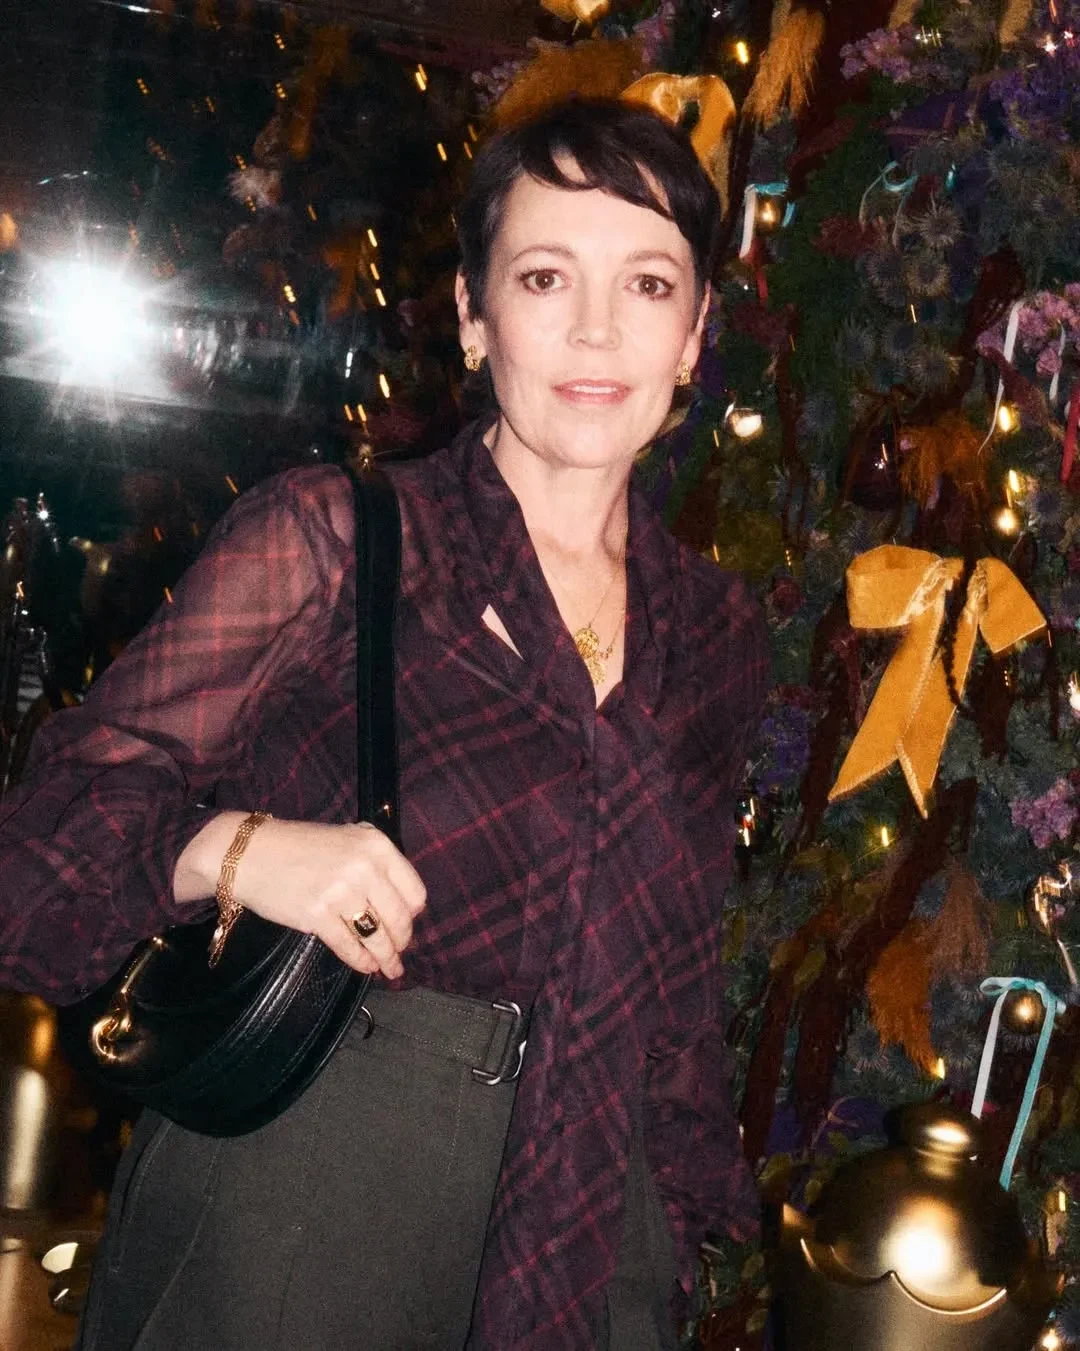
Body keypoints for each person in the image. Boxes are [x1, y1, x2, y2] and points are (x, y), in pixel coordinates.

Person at [0, 98, 766, 1350]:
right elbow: (35, 858)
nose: (596, 329)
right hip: (313, 1186)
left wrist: (678, 1227)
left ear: (693, 334)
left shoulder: (716, 629)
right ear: (472, 313)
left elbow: (679, 988)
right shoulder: (336, 541)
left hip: (593, 1221)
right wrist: (235, 849)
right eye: (544, 276)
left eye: (647, 284)